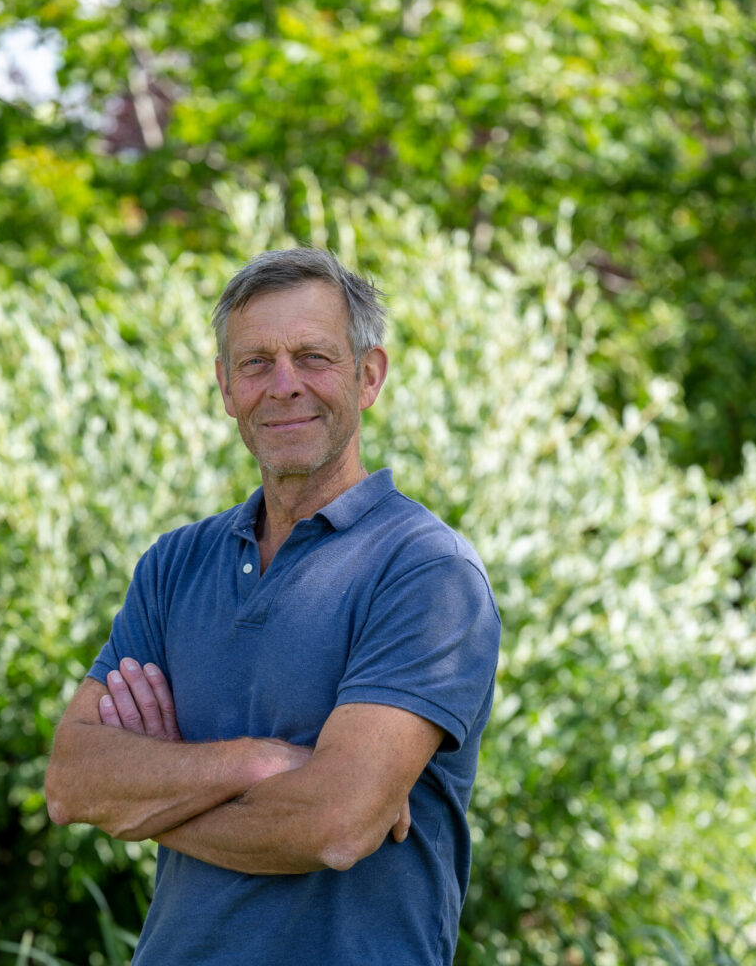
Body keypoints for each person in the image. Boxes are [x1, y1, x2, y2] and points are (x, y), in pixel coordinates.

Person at [45, 248, 501, 965]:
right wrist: (262, 762)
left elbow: (336, 827)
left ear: (369, 375)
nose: (284, 385)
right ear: (227, 388)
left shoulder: (425, 572)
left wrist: (149, 799)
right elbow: (73, 781)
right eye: (256, 363)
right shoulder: (175, 565)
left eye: (313, 357)